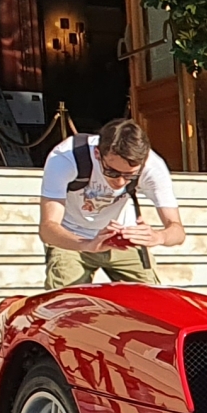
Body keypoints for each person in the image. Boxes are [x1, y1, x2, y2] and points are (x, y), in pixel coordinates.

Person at [37, 117, 183, 290]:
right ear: (98, 154)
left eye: (130, 176)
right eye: (112, 172)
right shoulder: (66, 157)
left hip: (123, 237)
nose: (121, 182)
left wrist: (159, 237)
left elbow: (178, 231)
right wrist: (86, 245)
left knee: (152, 303)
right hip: (73, 237)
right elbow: (47, 228)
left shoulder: (153, 166)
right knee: (65, 305)